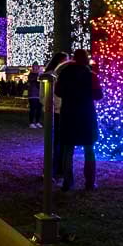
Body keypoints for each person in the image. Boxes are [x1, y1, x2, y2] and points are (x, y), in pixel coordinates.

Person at [55, 49, 102, 191]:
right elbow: (98, 95)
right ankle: (90, 182)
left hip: (69, 113)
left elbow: (58, 92)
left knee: (68, 148)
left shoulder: (64, 74)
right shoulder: (91, 76)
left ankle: (67, 182)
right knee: (89, 148)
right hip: (86, 114)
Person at [43, 52, 70, 181]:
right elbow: (45, 96)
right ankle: (51, 170)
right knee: (55, 142)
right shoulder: (50, 75)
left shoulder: (60, 75)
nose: (67, 63)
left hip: (60, 111)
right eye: (65, 60)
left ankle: (59, 168)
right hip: (54, 112)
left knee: (60, 141)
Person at [27, 63, 43, 129]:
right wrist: (38, 75)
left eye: (37, 67)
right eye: (34, 67)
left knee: (39, 109)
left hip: (40, 94)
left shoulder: (40, 74)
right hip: (33, 94)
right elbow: (32, 80)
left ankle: (37, 122)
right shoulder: (31, 74)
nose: (36, 68)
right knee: (33, 108)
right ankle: (31, 123)